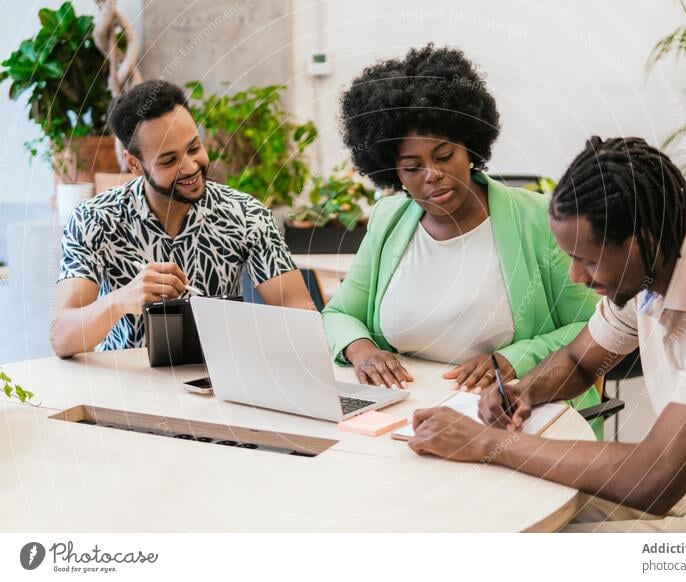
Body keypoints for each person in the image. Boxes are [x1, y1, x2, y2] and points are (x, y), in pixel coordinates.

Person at [407, 136, 686, 533]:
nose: (576, 276)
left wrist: (486, 443)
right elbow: (579, 361)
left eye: (587, 260)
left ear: (641, 242)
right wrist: (524, 390)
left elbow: (656, 477)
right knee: (491, 512)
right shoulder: (650, 270)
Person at [322, 44, 602, 436]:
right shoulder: (389, 220)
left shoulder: (537, 218)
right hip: (406, 418)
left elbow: (596, 327)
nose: (432, 174)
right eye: (412, 167)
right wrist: (362, 350)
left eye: (444, 155)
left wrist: (512, 359)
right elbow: (338, 314)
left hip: (515, 414)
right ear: (392, 173)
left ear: (469, 146)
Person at [51, 80, 315, 358]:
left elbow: (302, 318)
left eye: (194, 148)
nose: (190, 167)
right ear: (134, 164)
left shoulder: (247, 215)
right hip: (123, 389)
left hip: (217, 385)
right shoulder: (94, 219)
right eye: (168, 160)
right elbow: (61, 337)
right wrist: (119, 301)